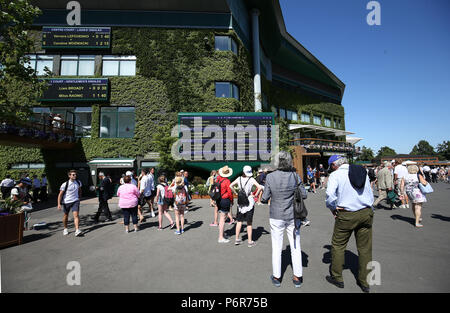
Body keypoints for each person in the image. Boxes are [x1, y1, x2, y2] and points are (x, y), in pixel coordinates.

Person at [325, 155, 374, 293]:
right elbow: (369, 192)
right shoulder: (361, 171)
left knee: (338, 245)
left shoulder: (336, 175)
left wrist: (333, 208)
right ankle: (364, 282)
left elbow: (329, 195)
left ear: (335, 164)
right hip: (366, 212)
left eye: (331, 166)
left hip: (346, 214)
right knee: (365, 249)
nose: (331, 169)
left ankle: (337, 277)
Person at [261, 151, 304, 288]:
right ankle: (297, 277)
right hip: (293, 215)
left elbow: (264, 198)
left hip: (276, 215)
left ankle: (277, 276)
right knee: (295, 246)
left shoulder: (270, 177)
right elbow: (304, 194)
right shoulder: (295, 176)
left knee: (276, 247)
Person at [230, 165, 263, 247]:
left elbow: (230, 186)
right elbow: (259, 188)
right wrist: (255, 195)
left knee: (239, 221)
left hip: (240, 202)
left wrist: (236, 193)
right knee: (249, 222)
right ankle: (249, 241)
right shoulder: (251, 179)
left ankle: (237, 239)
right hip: (249, 201)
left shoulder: (239, 178)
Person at [57, 170, 83, 236]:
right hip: (66, 202)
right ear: (69, 176)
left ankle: (77, 230)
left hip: (75, 201)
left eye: (75, 174)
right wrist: (59, 204)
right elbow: (60, 194)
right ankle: (65, 228)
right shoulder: (65, 184)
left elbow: (80, 190)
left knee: (76, 215)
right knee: (66, 215)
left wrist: (79, 198)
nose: (75, 176)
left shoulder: (78, 182)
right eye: (73, 175)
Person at [216, 166, 234, 243]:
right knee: (223, 219)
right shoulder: (227, 181)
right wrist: (232, 200)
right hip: (225, 200)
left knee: (222, 217)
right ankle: (220, 237)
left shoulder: (218, 179)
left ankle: (222, 234)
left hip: (219, 199)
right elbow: (230, 193)